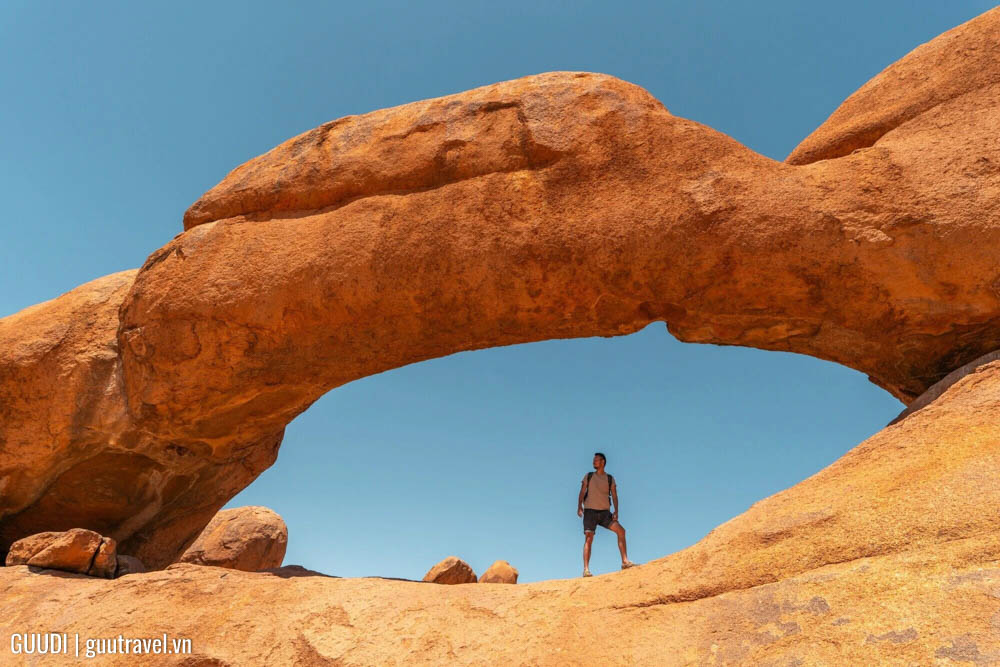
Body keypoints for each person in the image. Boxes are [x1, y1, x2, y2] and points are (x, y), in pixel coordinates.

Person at [576, 451, 637, 577]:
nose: (594, 462)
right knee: (589, 538)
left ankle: (625, 561)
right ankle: (586, 569)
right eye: (594, 460)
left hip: (605, 513)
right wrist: (579, 507)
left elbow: (614, 495)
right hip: (590, 511)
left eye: (596, 460)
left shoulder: (610, 479)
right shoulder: (588, 476)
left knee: (621, 531)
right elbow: (582, 492)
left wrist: (616, 511)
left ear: (603, 462)